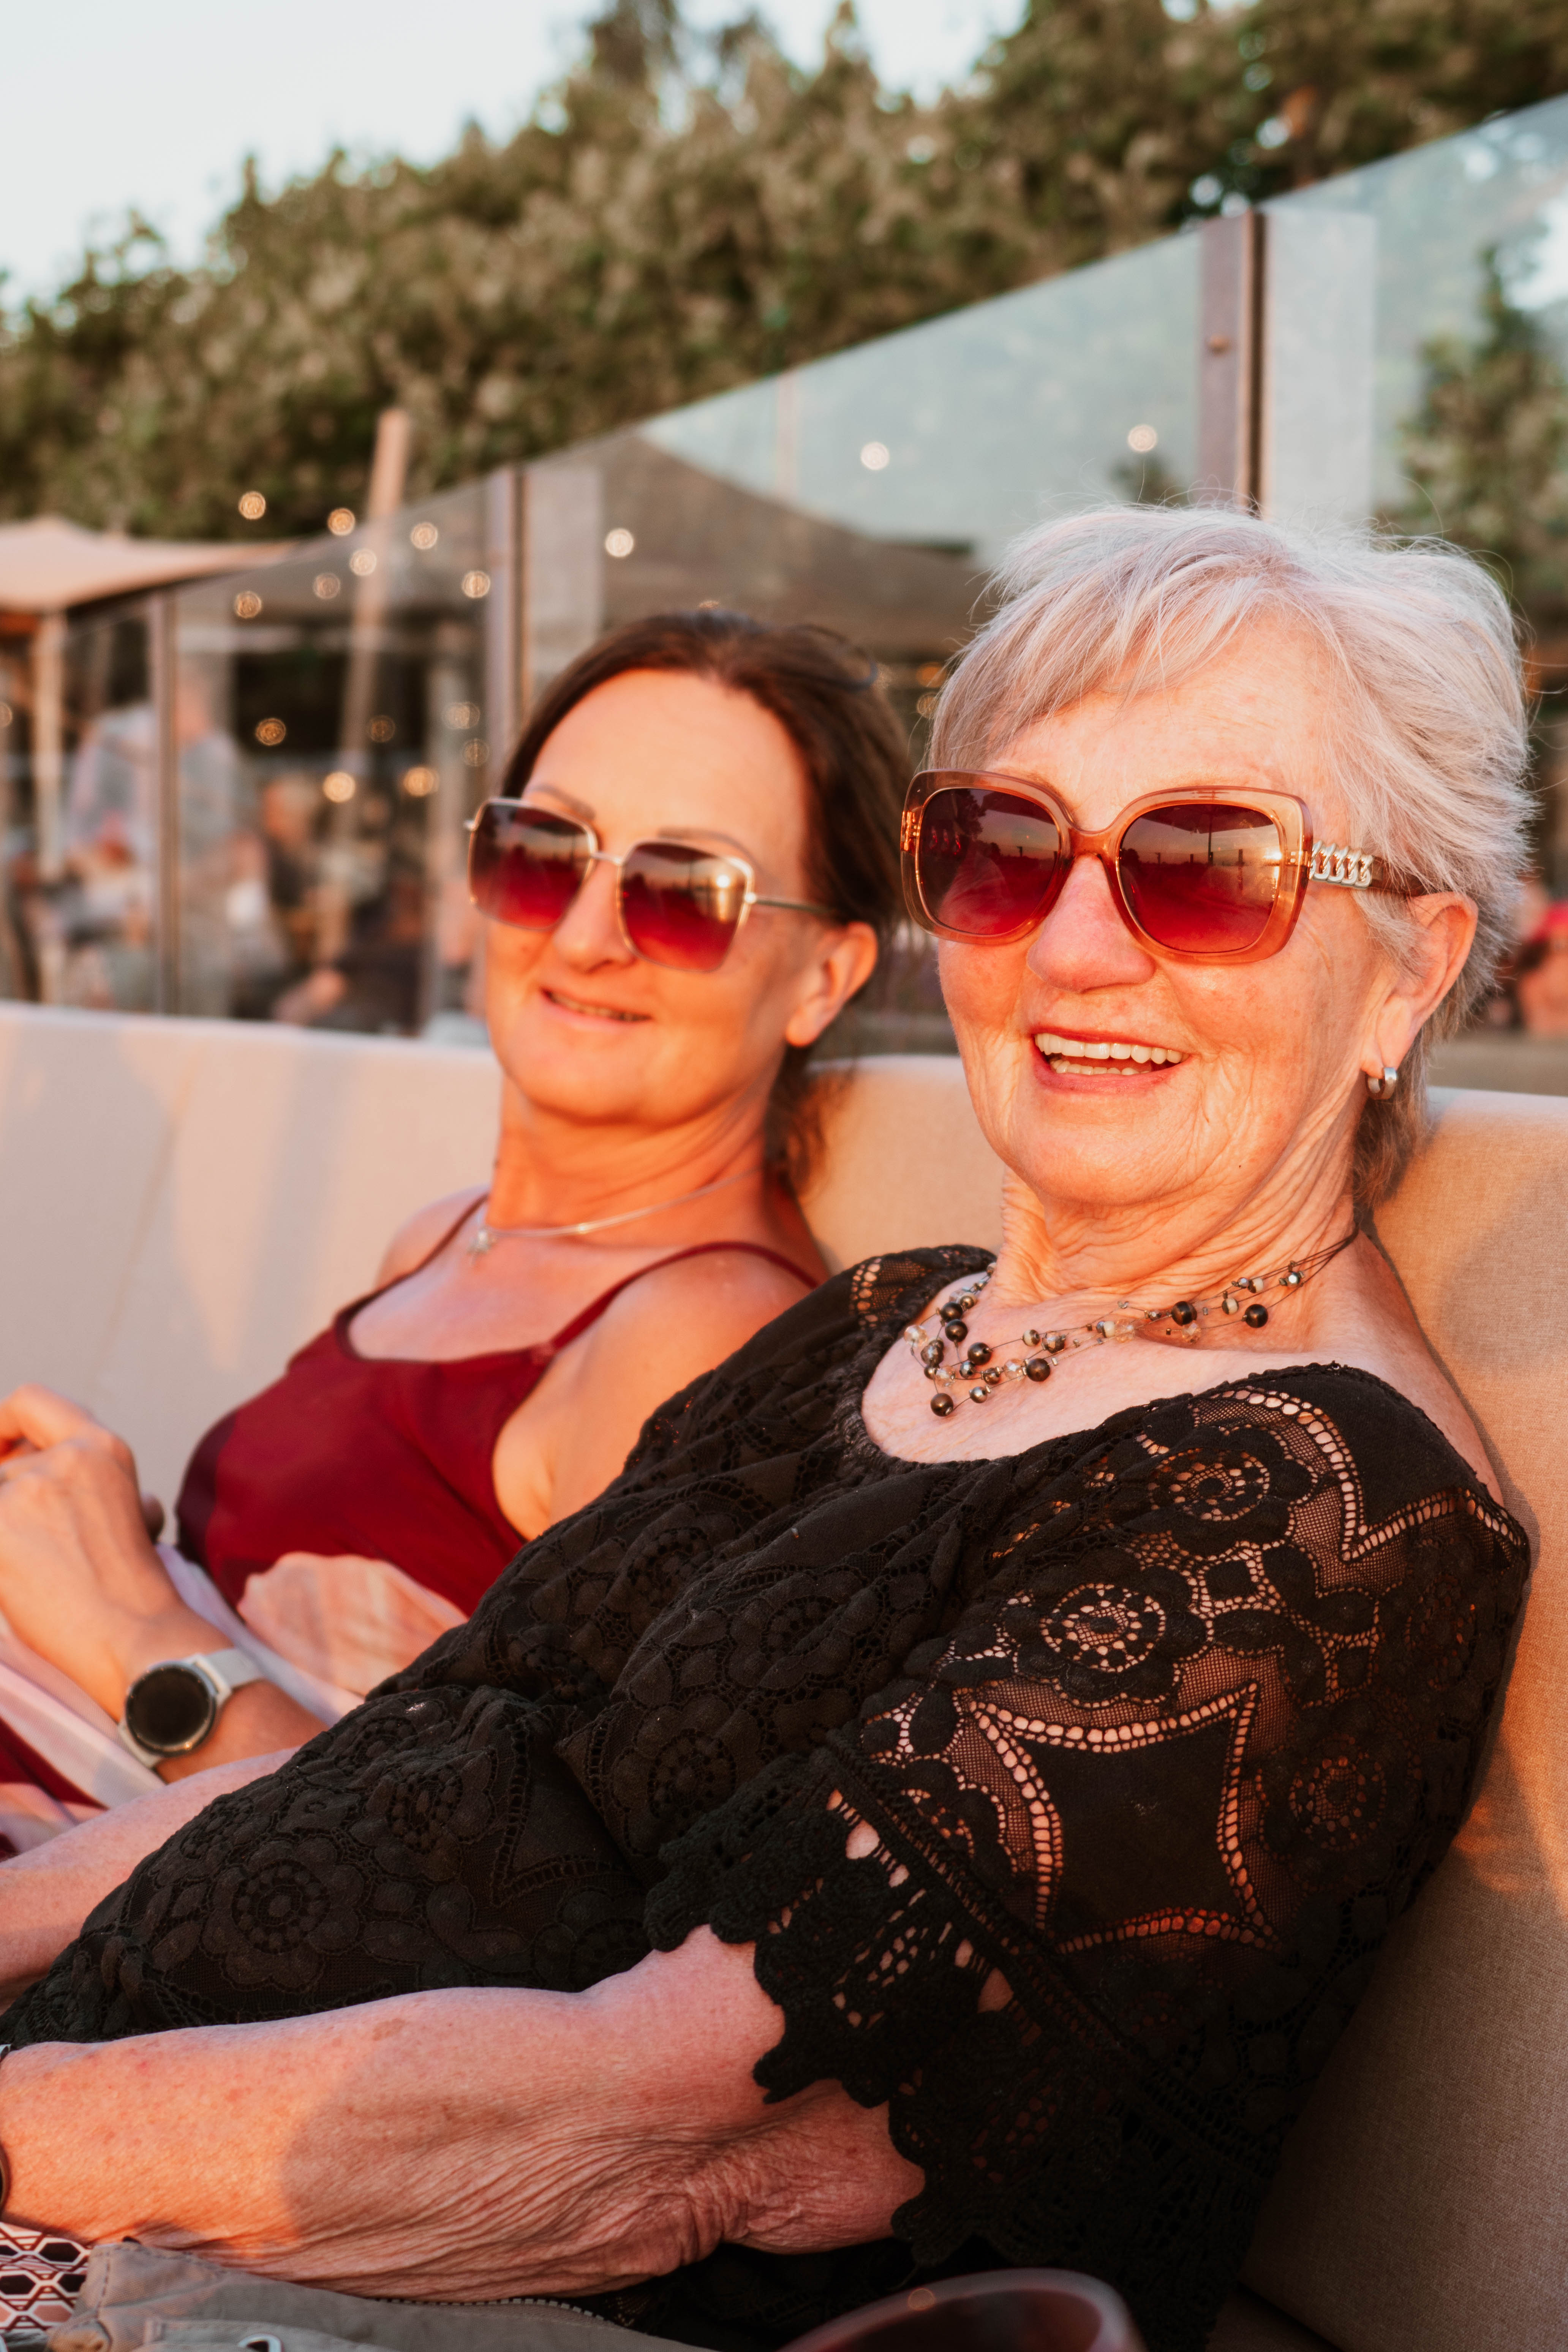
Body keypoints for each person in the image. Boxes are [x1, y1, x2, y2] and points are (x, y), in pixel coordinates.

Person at [0, 509, 1533, 2352]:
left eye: (1208, 869)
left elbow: (660, 2138)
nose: (1074, 949)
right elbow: (387, 1756)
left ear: (1410, 965)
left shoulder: (1312, 1517)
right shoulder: (892, 1318)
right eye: (1004, 847)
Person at [0, 610, 901, 1841]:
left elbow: (494, 1882)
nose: (587, 935)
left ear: (823, 977)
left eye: (686, 891)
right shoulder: (443, 1238)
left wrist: (126, 1628)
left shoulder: (699, 1342)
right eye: (547, 851)